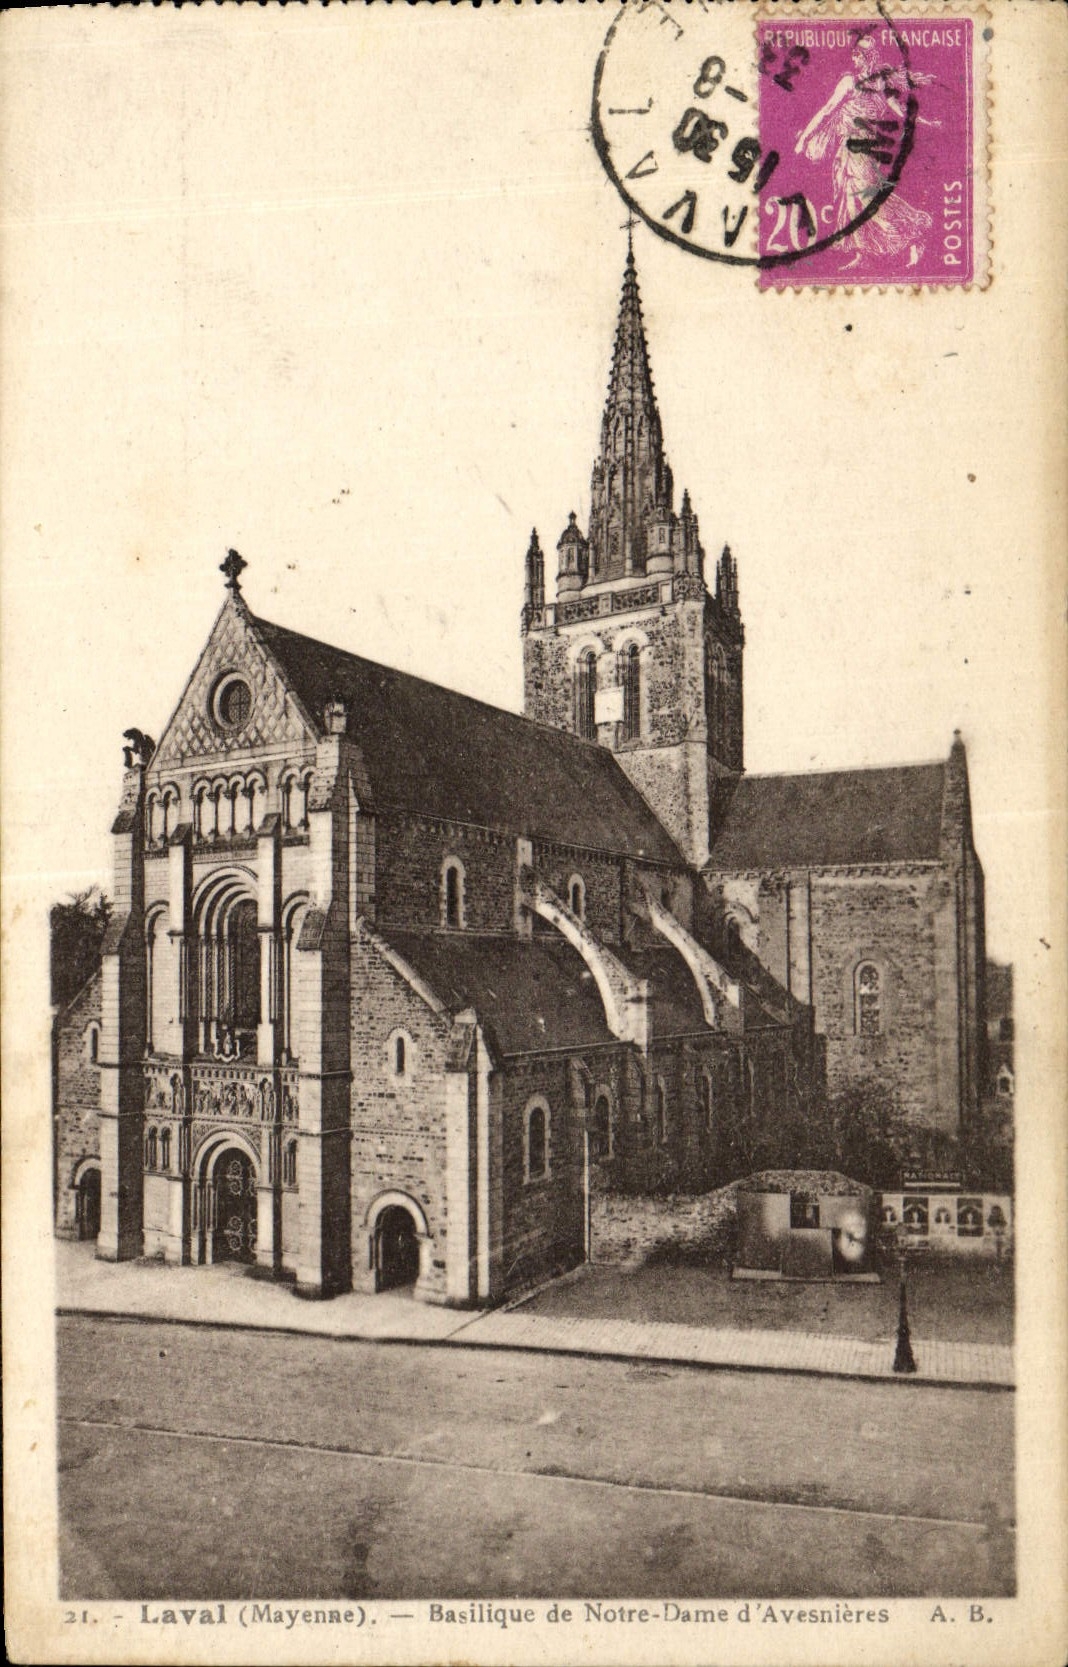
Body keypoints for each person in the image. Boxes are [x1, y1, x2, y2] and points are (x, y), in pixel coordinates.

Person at [794, 31, 934, 269]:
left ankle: (913, 236)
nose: (855, 60)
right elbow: (827, 110)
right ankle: (863, 253)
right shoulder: (848, 82)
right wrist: (805, 137)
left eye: (859, 55)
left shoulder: (880, 83)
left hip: (865, 147)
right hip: (847, 148)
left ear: (870, 58)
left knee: (867, 195)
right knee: (850, 198)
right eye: (854, 55)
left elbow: (898, 109)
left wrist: (923, 122)